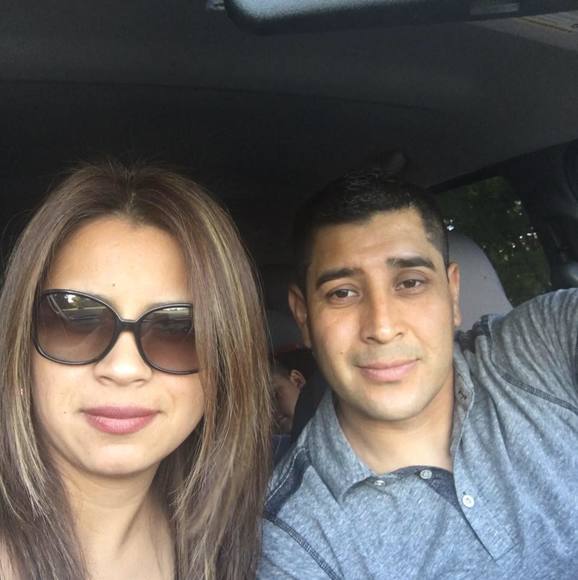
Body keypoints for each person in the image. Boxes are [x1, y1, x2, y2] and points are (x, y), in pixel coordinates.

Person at [258, 168, 578, 579]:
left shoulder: (542, 346)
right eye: (342, 292)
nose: (382, 326)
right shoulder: (293, 541)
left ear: (453, 293)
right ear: (303, 316)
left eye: (410, 283)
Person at [0, 161, 271, 580]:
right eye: (75, 319)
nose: (123, 368)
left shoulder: (226, 544)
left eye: (178, 329)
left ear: (225, 365)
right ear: (20, 346)